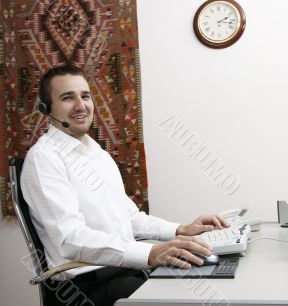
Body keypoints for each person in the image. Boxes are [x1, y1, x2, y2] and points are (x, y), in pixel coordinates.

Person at [21, 65, 229, 306]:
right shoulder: (44, 159)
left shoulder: (97, 154)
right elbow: (70, 239)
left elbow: (131, 218)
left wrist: (180, 230)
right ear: (46, 109)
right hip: (84, 288)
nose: (81, 105)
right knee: (178, 299)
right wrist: (150, 254)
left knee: (199, 278)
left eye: (85, 96)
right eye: (68, 98)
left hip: (124, 271)